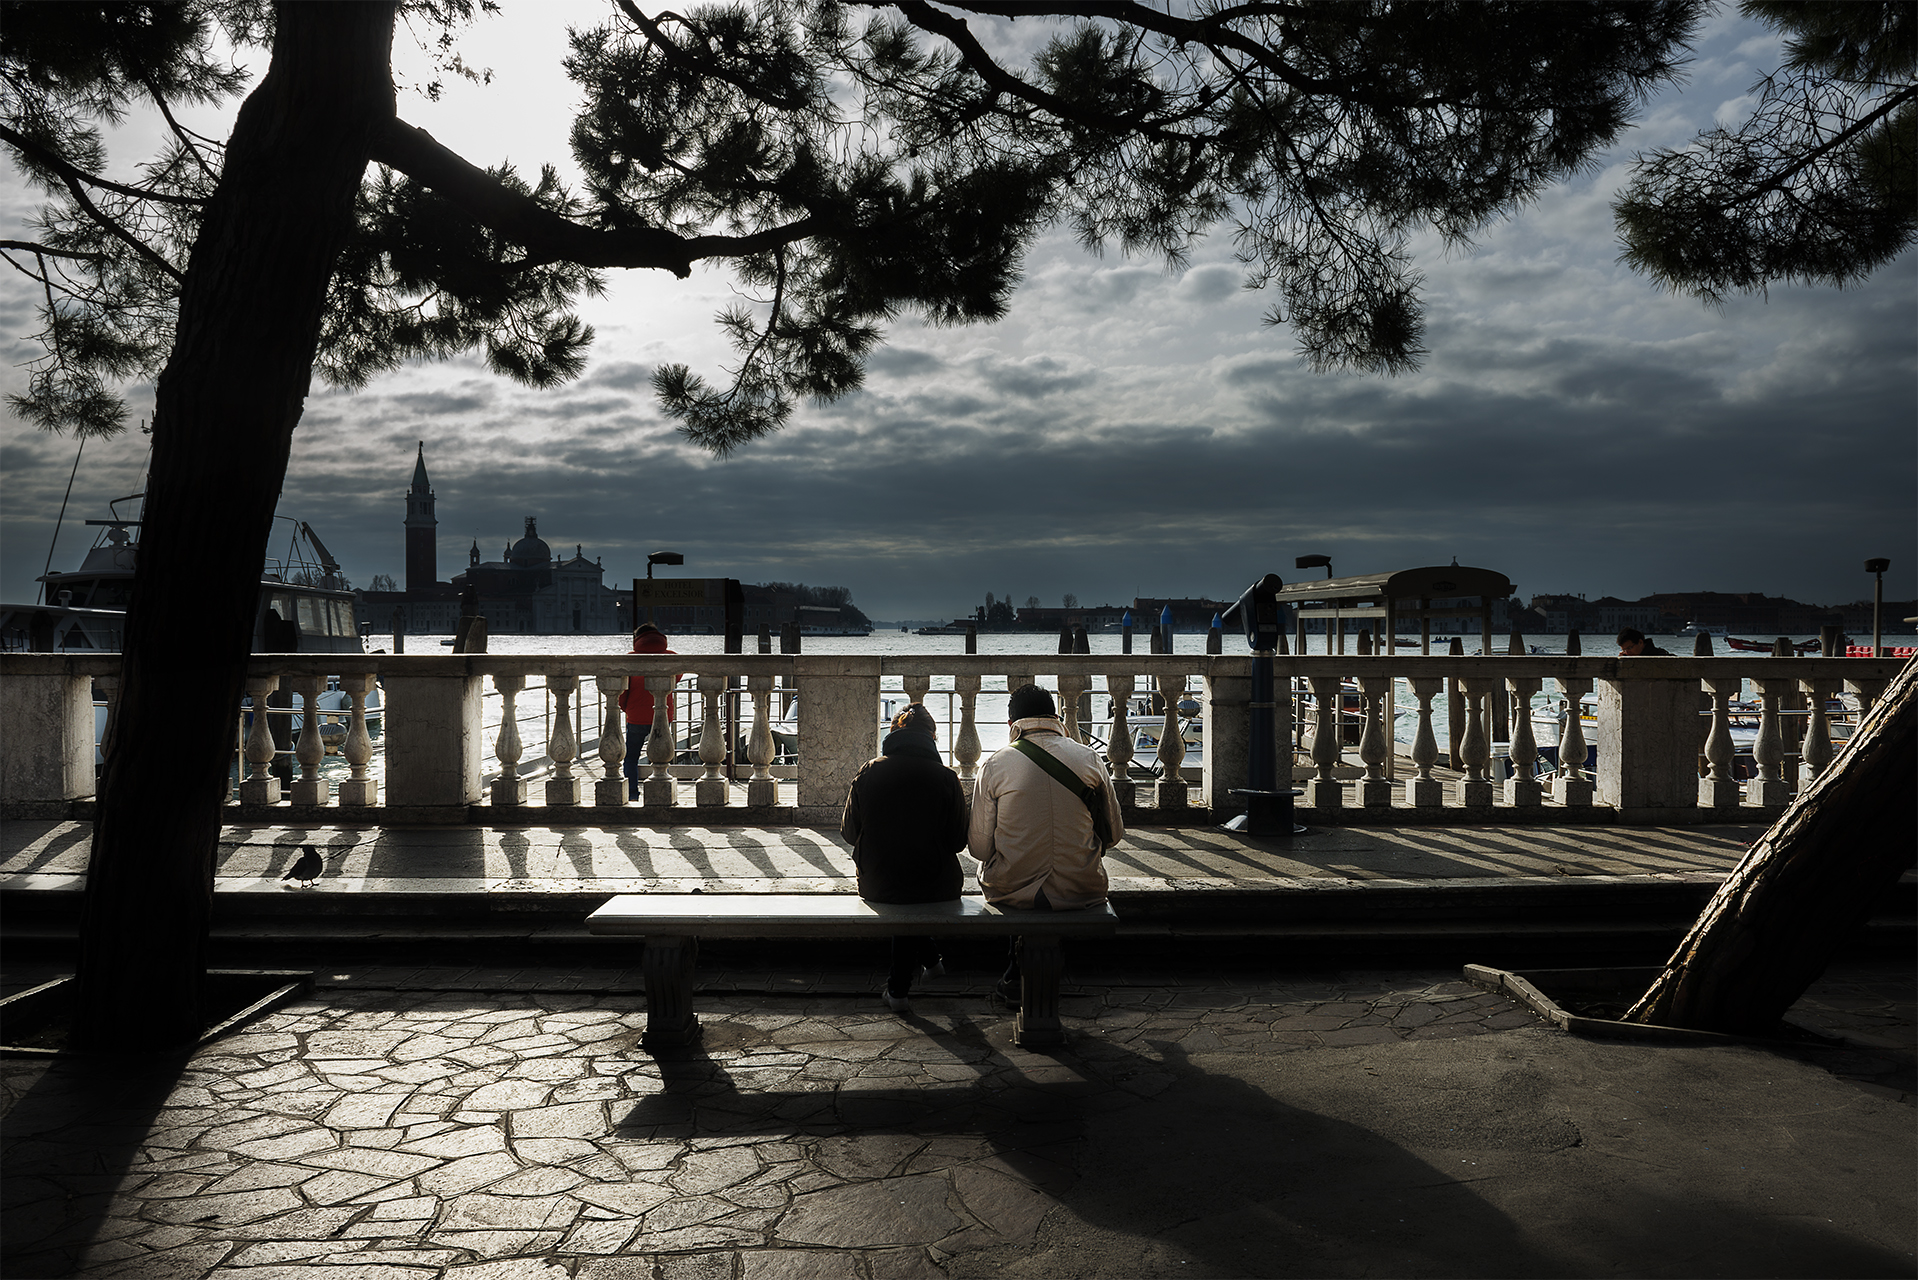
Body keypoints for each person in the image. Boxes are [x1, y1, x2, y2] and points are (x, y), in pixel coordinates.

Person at [969, 684, 1125, 1005]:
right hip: (1082, 887)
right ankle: (1042, 966)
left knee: (1014, 869)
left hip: (1012, 890)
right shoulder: (1090, 759)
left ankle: (1016, 969)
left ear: (1011, 724)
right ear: (1056, 717)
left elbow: (980, 850)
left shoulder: (996, 764)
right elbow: (1114, 835)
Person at [840, 704, 969, 1014]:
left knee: (901, 888)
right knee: (912, 889)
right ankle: (920, 971)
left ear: (894, 734)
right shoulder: (947, 778)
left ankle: (902, 987)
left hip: (877, 882)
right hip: (936, 883)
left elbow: (848, 832)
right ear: (932, 738)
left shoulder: (870, 770)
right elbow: (958, 841)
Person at [616, 623, 676, 799]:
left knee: (631, 757)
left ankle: (632, 793)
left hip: (636, 716)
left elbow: (623, 690)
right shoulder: (672, 657)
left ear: (637, 640)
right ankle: (659, 792)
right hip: (663, 715)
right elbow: (676, 680)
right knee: (661, 755)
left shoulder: (630, 659)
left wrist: (626, 708)